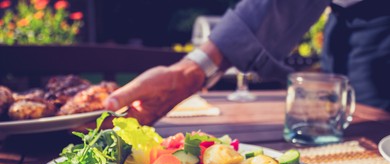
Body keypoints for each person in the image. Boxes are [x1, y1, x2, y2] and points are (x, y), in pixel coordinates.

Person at [104, 0, 390, 125]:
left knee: (372, 133)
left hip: (381, 25)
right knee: (343, 126)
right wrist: (191, 72)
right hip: (347, 24)